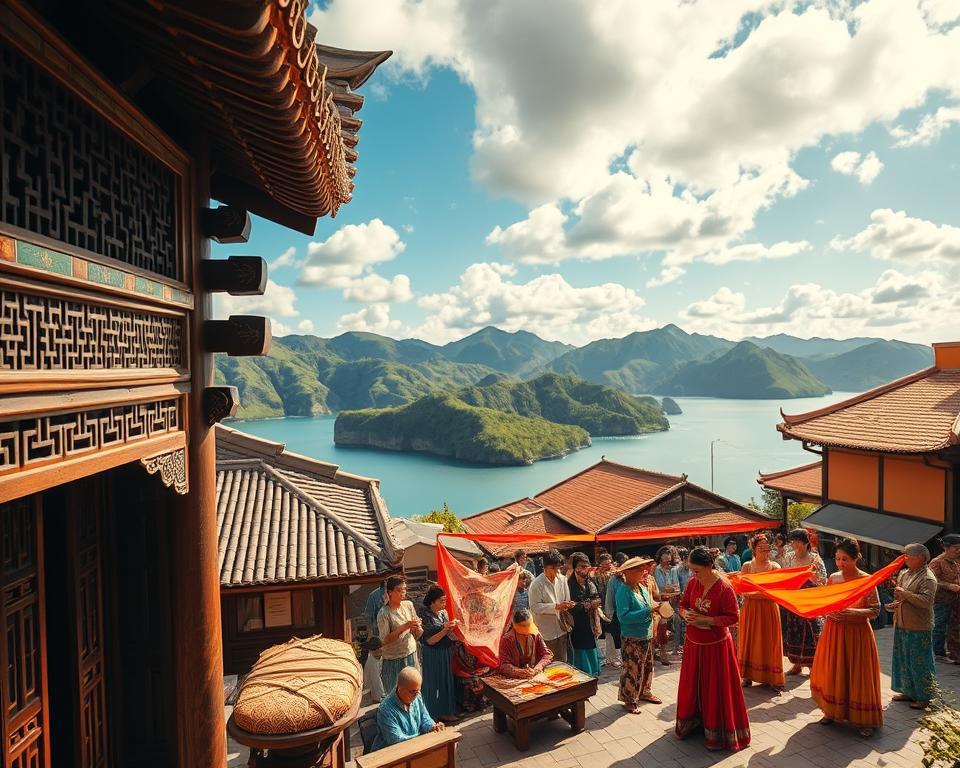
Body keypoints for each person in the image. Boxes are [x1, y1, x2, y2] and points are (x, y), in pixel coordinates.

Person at [675, 546, 750, 751]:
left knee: (715, 687)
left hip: (716, 647)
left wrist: (707, 619)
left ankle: (716, 730)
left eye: (696, 570)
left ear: (709, 566)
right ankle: (695, 721)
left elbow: (734, 618)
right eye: (691, 570)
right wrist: (685, 614)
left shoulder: (724, 588)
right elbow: (682, 604)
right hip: (693, 643)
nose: (693, 575)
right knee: (693, 685)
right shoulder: (692, 583)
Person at [810, 538, 882, 737]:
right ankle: (832, 711)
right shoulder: (833, 577)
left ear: (856, 558)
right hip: (834, 631)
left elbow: (875, 610)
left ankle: (863, 719)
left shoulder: (866, 579)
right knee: (834, 670)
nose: (840, 563)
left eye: (845, 559)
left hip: (857, 634)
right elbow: (826, 601)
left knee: (858, 675)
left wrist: (851, 612)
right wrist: (828, 610)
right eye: (838, 558)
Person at [890, 543, 938, 708]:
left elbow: (926, 602)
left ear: (920, 558)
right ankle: (908, 691)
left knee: (920, 662)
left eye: (907, 555)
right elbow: (903, 597)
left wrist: (904, 594)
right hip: (902, 623)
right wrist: (896, 603)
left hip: (919, 626)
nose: (905, 558)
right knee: (904, 659)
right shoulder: (905, 573)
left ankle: (924, 697)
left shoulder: (928, 578)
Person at [615, 556, 663, 713]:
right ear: (628, 572)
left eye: (644, 568)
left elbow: (650, 605)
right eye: (639, 569)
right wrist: (647, 610)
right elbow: (623, 617)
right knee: (632, 669)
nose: (644, 571)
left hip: (646, 634)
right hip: (632, 637)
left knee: (647, 666)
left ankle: (644, 692)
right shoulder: (623, 590)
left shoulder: (641, 587)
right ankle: (629, 699)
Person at [737, 534, 784, 691]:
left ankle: (771, 678)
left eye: (767, 548)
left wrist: (755, 593)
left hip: (769, 608)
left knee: (769, 641)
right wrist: (756, 593)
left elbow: (776, 590)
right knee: (750, 639)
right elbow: (742, 589)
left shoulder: (775, 567)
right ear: (753, 549)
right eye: (760, 548)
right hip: (751, 608)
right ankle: (748, 676)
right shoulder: (747, 566)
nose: (764, 551)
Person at [782, 528, 827, 675]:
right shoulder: (789, 557)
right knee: (794, 631)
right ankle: (796, 664)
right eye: (792, 541)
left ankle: (812, 665)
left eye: (796, 541)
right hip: (794, 600)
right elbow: (784, 576)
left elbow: (822, 581)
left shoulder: (815, 559)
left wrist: (810, 577)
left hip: (810, 600)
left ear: (804, 543)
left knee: (811, 631)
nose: (793, 544)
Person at [371, 667, 444, 751]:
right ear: (400, 688)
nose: (416, 695)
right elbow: (397, 741)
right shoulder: (386, 710)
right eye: (413, 692)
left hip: (414, 748)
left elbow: (425, 719)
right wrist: (421, 738)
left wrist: (433, 727)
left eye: (418, 691)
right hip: (389, 755)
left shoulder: (417, 697)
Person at [419, 586, 459, 724]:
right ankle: (430, 714)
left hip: (445, 650)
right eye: (442, 601)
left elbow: (447, 632)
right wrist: (445, 628)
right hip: (432, 652)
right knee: (431, 683)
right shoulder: (425, 615)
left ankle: (446, 711)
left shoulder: (443, 613)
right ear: (433, 601)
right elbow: (430, 640)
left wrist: (452, 629)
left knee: (445, 682)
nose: (444, 603)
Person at [529, 549, 575, 663]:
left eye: (557, 568)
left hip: (562, 627)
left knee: (563, 662)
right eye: (552, 568)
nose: (555, 571)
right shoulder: (536, 584)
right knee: (548, 664)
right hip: (546, 631)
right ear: (544, 567)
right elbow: (534, 607)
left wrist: (568, 605)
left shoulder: (562, 579)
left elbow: (566, 599)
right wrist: (555, 607)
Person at [378, 576, 422, 692]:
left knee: (413, 691)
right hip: (393, 659)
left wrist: (416, 626)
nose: (403, 592)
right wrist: (405, 626)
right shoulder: (384, 613)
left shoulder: (408, 605)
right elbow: (385, 639)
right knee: (395, 693)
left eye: (405, 589)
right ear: (390, 592)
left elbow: (418, 633)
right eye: (399, 590)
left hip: (410, 653)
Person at [568, 552, 602, 676]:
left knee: (591, 646)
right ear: (575, 568)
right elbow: (570, 607)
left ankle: (594, 674)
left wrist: (595, 602)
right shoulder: (569, 585)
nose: (584, 569)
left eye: (586, 566)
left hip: (591, 623)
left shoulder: (590, 583)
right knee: (580, 651)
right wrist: (587, 605)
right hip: (576, 625)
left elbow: (599, 597)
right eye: (581, 566)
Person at [498, 608, 554, 678]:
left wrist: (537, 668)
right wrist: (518, 671)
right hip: (514, 678)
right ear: (515, 626)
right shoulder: (507, 639)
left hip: (533, 675)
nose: (527, 632)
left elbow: (547, 655)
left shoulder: (535, 634)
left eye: (529, 626)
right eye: (523, 627)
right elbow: (503, 665)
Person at [931, 533, 960, 663]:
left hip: (955, 600)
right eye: (956, 548)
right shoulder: (937, 562)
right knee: (940, 626)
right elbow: (932, 581)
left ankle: (953, 653)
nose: (958, 551)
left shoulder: (956, 562)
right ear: (946, 548)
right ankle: (938, 653)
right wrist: (948, 585)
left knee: (954, 627)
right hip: (941, 600)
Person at [653, 546, 681, 660]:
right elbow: (660, 587)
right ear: (660, 557)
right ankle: (662, 652)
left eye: (669, 556)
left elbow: (676, 585)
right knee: (661, 627)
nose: (667, 559)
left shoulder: (674, 569)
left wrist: (670, 589)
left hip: (673, 600)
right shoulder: (657, 569)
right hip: (661, 601)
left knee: (676, 624)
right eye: (665, 556)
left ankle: (675, 648)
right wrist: (669, 589)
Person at [603, 552, 629, 668]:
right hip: (617, 612)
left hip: (628, 611)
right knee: (617, 636)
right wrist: (609, 614)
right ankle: (618, 657)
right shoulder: (613, 580)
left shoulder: (628, 577)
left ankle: (626, 656)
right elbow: (610, 598)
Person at [452, 642, 489, 713]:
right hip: (461, 674)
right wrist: (468, 675)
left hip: (474, 673)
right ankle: (469, 705)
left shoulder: (475, 647)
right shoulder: (456, 650)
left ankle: (480, 703)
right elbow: (455, 669)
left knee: (481, 679)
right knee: (473, 681)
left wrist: (480, 671)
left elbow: (482, 662)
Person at [593, 552, 616, 666]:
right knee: (600, 632)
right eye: (604, 564)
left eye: (609, 563)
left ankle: (611, 657)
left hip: (612, 606)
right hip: (600, 607)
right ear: (599, 564)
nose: (607, 566)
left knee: (611, 632)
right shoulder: (595, 575)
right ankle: (602, 658)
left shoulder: (615, 573)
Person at [362, 637, 385, 705]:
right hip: (375, 697)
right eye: (375, 650)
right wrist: (382, 697)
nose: (378, 652)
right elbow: (376, 682)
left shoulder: (380, 658)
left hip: (376, 696)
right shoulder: (372, 662)